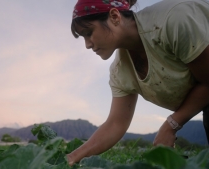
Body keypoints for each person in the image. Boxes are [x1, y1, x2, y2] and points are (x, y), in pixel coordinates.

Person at [67, 0, 209, 166]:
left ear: (114, 16)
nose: (87, 44)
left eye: (89, 32)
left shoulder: (173, 21)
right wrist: (71, 158)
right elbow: (115, 124)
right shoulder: (120, 71)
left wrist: (171, 124)